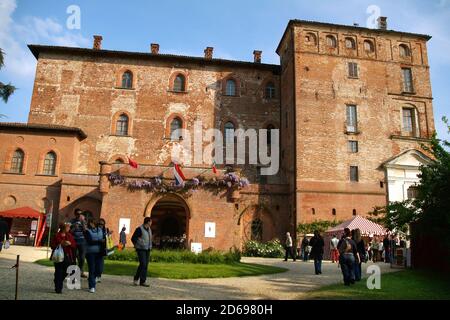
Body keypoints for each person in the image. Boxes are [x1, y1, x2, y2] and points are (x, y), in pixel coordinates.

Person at [51, 222, 76, 294]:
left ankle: (58, 281)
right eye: (67, 227)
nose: (69, 228)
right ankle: (58, 288)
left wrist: (70, 244)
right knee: (58, 271)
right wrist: (61, 243)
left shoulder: (69, 235)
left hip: (67, 256)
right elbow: (52, 245)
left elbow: (74, 245)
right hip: (58, 256)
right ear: (64, 228)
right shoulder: (57, 235)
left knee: (66, 271)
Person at [84, 218, 105, 293]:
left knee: (99, 269)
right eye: (90, 223)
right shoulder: (87, 231)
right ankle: (92, 286)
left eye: (92, 222)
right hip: (90, 253)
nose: (91, 224)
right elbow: (90, 241)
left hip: (99, 253)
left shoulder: (100, 230)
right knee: (92, 269)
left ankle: (92, 278)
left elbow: (104, 238)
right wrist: (99, 241)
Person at [131, 217, 153, 287]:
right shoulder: (139, 229)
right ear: (148, 222)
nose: (151, 223)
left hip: (147, 249)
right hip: (141, 249)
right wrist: (137, 245)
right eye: (151, 222)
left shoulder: (149, 229)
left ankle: (142, 281)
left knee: (145, 265)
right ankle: (137, 279)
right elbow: (133, 238)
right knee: (143, 264)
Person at [70, 210, 87, 278]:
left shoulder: (83, 221)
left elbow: (85, 230)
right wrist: (74, 227)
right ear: (75, 214)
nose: (79, 215)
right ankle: (73, 274)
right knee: (74, 258)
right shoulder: (72, 221)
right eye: (77, 214)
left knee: (82, 258)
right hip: (74, 241)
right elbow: (69, 231)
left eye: (80, 214)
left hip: (82, 241)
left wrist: (82, 223)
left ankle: (80, 271)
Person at [96, 218, 110, 283]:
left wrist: (108, 234)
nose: (100, 225)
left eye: (102, 224)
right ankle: (95, 276)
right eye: (99, 224)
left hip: (102, 249)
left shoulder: (106, 230)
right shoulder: (95, 230)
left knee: (101, 264)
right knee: (96, 263)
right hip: (96, 248)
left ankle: (99, 276)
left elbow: (108, 239)